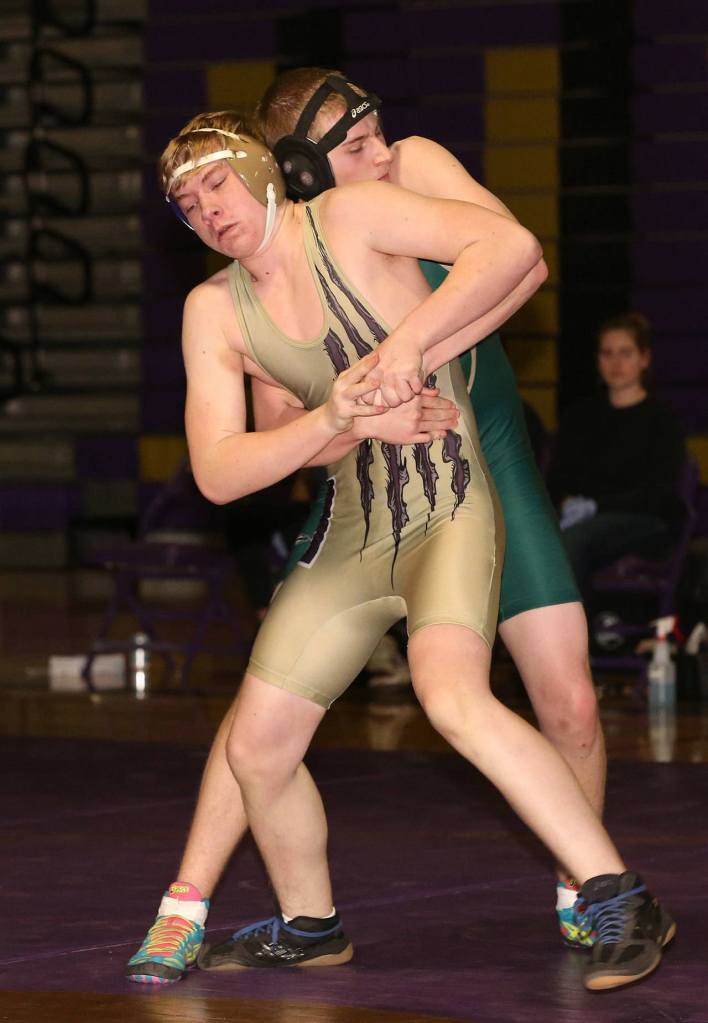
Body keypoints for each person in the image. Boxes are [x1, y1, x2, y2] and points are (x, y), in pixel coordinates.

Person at [126, 106, 674, 993]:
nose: (208, 212)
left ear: (265, 170)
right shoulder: (212, 311)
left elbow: (510, 248)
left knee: (451, 694)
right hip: (351, 526)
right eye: (188, 205)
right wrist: (335, 415)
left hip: (448, 497)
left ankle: (617, 891)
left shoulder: (350, 213)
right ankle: (310, 922)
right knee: (259, 745)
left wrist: (406, 349)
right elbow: (222, 473)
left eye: (218, 185)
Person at [253, 69, 604, 937]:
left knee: (572, 702)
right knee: (264, 719)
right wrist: (364, 399)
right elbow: (278, 420)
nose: (381, 154)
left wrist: (412, 345)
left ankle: (585, 888)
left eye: (377, 132)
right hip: (385, 485)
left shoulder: (414, 164)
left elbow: (525, 260)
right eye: (356, 147)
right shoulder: (290, 245)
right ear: (301, 174)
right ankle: (188, 896)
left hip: (490, 448)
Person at [547, 312, 686, 617]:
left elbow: (658, 491)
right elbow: (557, 476)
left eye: (625, 353)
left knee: (573, 542)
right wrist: (567, 501)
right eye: (607, 353)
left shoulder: (662, 421)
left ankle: (580, 644)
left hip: (644, 522)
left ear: (644, 359)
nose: (615, 363)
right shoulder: (580, 417)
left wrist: (596, 506)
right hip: (581, 519)